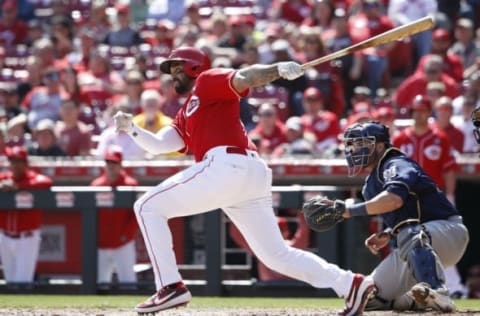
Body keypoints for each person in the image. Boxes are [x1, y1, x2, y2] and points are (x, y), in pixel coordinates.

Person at [113, 46, 376, 315]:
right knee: (276, 256)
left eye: (177, 68)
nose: (173, 75)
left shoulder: (207, 79)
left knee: (147, 207)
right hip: (247, 173)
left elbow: (246, 77)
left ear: (194, 67)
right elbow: (160, 145)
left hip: (226, 165)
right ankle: (349, 283)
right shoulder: (189, 107)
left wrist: (277, 70)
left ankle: (170, 286)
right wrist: (132, 129)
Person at [309, 121, 469, 312]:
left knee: (410, 233)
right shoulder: (369, 185)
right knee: (369, 297)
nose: (355, 150)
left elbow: (394, 200)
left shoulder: (396, 162)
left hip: (449, 232)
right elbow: (403, 215)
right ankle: (419, 299)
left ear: (379, 145)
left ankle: (437, 291)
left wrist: (349, 210)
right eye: (353, 145)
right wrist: (388, 233)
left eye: (361, 144)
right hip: (418, 245)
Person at [0, 146, 53, 284]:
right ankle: (13, 307)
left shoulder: (32, 178)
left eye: (19, 161)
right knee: (10, 282)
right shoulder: (5, 178)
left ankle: (24, 307)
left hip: (26, 239)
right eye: (12, 161)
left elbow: (46, 182)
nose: (15, 165)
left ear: (26, 163)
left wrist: (18, 187)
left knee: (22, 282)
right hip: (5, 236)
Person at [90, 145, 139, 285]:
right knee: (99, 283)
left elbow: (135, 216)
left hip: (122, 243)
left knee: (128, 282)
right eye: (108, 162)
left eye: (114, 162)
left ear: (120, 164)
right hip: (102, 244)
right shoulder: (96, 185)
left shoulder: (130, 184)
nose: (111, 166)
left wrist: (126, 235)